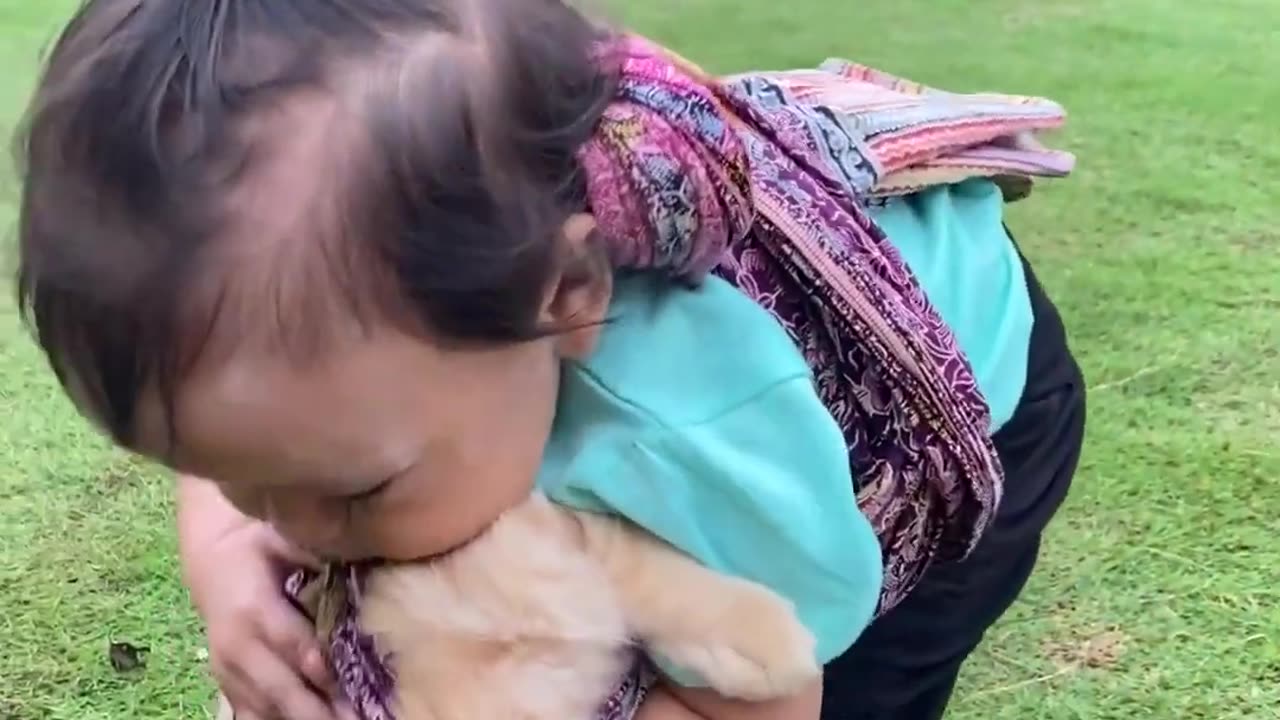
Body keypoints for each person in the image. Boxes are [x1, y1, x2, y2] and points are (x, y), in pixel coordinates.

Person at [15, 1, 1084, 719]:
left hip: (974, 393)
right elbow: (256, 449)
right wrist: (218, 562)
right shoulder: (369, 382)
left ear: (565, 298)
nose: (286, 534)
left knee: (862, 681)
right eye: (241, 478)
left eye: (353, 489)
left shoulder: (687, 429)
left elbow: (765, 683)